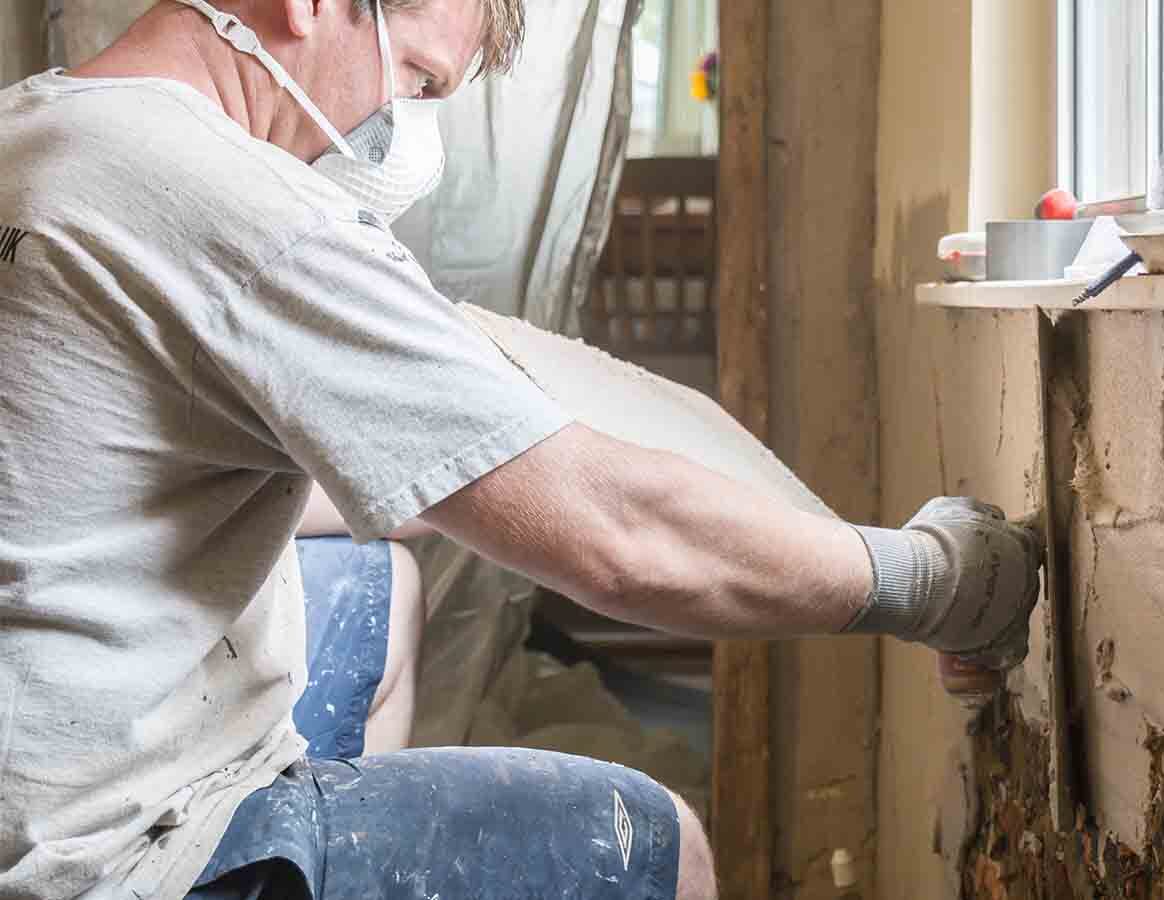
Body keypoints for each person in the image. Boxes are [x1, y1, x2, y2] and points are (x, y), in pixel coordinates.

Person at [0, 1, 1042, 898]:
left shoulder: (44, 126)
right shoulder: (241, 211)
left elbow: (115, 470)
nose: (394, 128)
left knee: (377, 580)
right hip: (100, 853)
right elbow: (617, 536)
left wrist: (460, 468)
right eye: (413, 76)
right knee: (652, 842)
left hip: (37, 739)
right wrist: (931, 578)